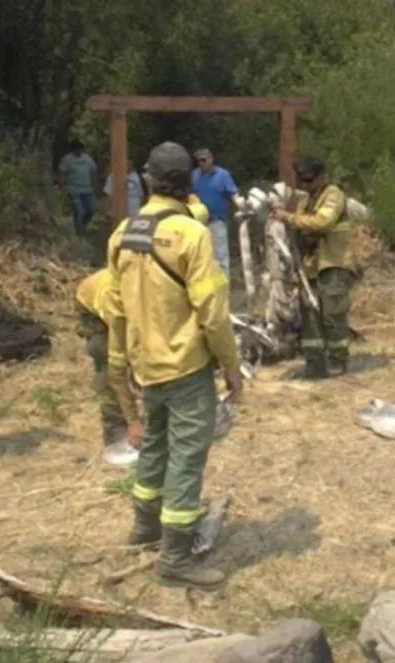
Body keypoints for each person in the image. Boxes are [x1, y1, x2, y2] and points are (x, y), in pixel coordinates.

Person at [104, 140, 244, 590]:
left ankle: (144, 529)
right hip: (185, 368)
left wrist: (120, 362)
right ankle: (176, 559)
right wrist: (232, 368)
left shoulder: (123, 233)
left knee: (155, 449)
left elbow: (116, 308)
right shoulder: (191, 235)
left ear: (148, 180)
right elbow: (214, 313)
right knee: (185, 459)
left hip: (145, 369)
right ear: (189, 185)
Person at [271, 156, 356, 379]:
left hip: (333, 263)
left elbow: (322, 222)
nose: (305, 185)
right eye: (302, 181)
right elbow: (300, 225)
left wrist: (288, 218)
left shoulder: (333, 195)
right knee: (310, 316)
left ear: (321, 176)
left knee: (333, 314)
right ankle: (315, 362)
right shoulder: (306, 200)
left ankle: (338, 361)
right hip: (310, 267)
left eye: (309, 180)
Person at [74, 268, 139, 449]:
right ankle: (115, 429)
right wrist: (133, 420)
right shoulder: (114, 305)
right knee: (106, 361)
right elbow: (117, 368)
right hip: (90, 304)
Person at [190, 148, 244, 273]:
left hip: (217, 221)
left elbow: (233, 193)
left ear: (211, 159)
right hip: (198, 222)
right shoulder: (194, 175)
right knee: (202, 255)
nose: (201, 164)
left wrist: (240, 205)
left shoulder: (222, 175)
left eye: (203, 160)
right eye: (199, 161)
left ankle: (224, 286)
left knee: (220, 255)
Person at [57, 139, 98, 234]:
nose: (80, 151)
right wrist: (61, 187)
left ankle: (82, 226)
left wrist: (95, 186)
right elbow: (61, 173)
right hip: (74, 190)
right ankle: (80, 232)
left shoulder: (87, 158)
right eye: (77, 148)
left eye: (81, 148)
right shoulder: (67, 159)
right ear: (73, 149)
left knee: (91, 210)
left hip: (87, 189)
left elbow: (93, 171)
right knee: (80, 212)